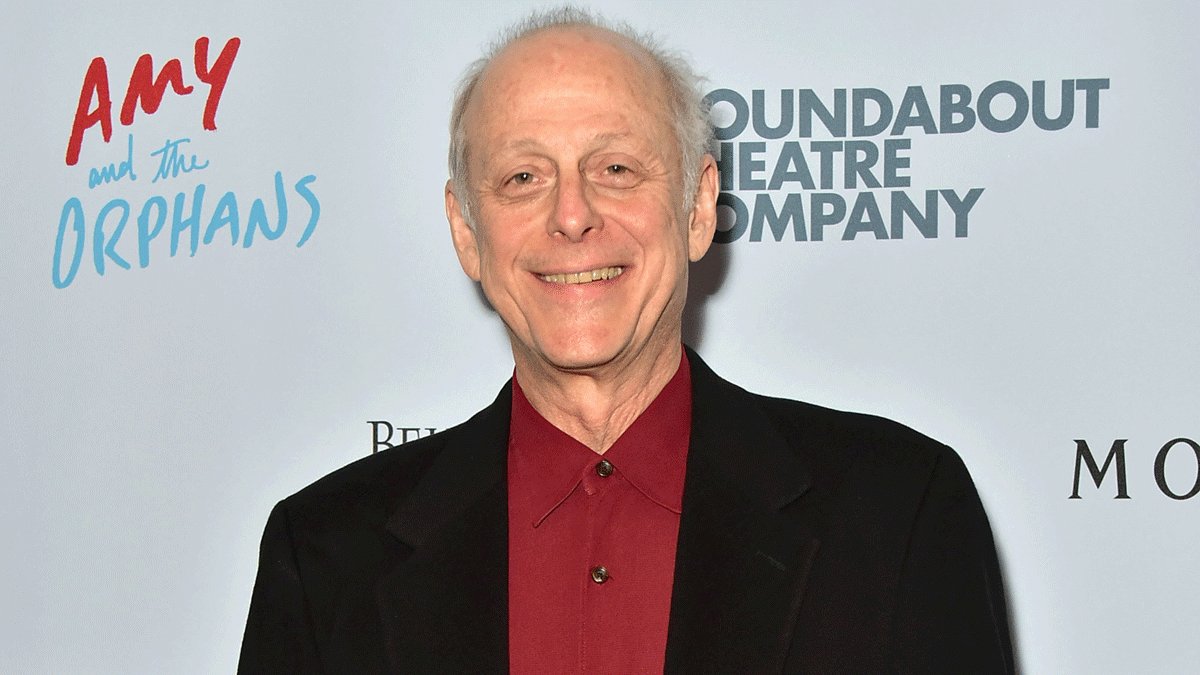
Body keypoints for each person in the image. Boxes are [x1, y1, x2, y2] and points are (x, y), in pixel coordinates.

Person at [239, 7, 1015, 674]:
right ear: (466, 232)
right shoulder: (325, 558)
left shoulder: (897, 514)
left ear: (698, 208)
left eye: (615, 167)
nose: (572, 215)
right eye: (522, 177)